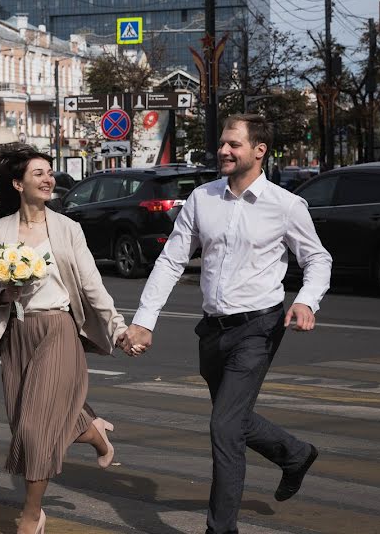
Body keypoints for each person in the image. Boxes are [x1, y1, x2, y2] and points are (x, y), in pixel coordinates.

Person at [120, 114, 332, 534]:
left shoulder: (286, 205)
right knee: (233, 417)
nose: (223, 151)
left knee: (224, 427)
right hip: (212, 331)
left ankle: (221, 529)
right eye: (222, 143)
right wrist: (144, 321)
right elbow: (173, 259)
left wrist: (306, 302)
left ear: (259, 150)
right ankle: (294, 454)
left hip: (258, 327)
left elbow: (318, 259)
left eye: (233, 144)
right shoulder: (202, 198)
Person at [0, 145, 134, 534]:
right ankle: (93, 431)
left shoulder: (67, 229)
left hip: (58, 330)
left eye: (50, 173)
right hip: (18, 334)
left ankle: (30, 516)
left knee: (35, 431)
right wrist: (4, 293)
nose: (48, 179)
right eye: (38, 173)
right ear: (19, 183)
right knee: (23, 420)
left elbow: (92, 286)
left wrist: (118, 327)